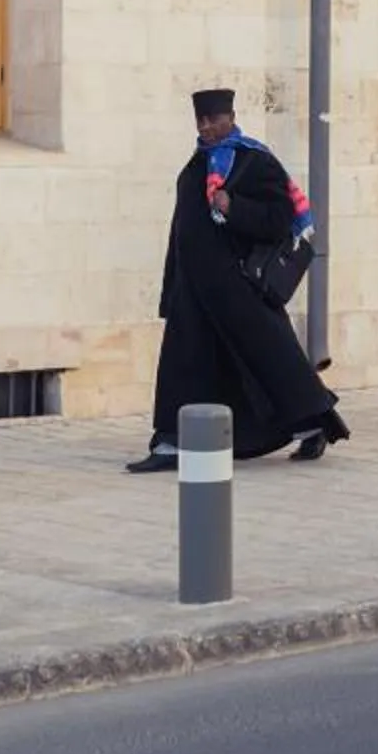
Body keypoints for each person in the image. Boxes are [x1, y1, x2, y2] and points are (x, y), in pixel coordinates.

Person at [130, 89, 352, 474]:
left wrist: (234, 208)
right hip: (193, 291)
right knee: (184, 366)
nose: (206, 127)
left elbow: (278, 220)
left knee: (272, 362)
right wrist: (171, 289)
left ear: (230, 118)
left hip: (239, 290)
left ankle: (313, 423)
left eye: (213, 120)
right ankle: (171, 442)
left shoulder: (253, 160)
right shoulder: (198, 163)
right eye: (200, 121)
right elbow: (181, 230)